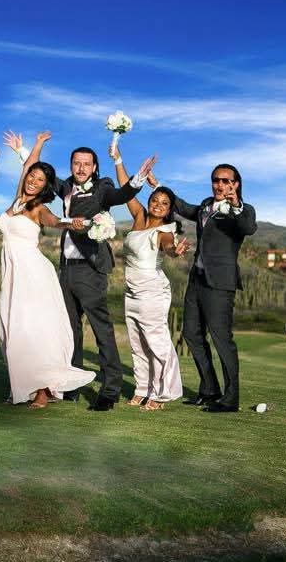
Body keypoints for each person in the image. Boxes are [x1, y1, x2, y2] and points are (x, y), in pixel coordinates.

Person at [24, 139, 155, 410]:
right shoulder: (65, 187)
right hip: (66, 269)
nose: (81, 168)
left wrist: (138, 179)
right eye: (77, 163)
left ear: (94, 167)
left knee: (101, 330)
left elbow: (121, 196)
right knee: (69, 330)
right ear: (71, 166)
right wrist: (26, 149)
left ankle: (110, 390)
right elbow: (40, 173)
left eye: (86, 164)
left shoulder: (102, 187)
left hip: (91, 268)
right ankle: (71, 386)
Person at [0, 131, 96, 408]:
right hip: (11, 274)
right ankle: (22, 386)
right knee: (12, 330)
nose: (33, 180)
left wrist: (71, 223)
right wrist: (36, 145)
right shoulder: (17, 200)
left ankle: (43, 389)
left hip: (32, 274)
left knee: (33, 328)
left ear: (45, 187)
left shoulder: (38, 208)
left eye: (40, 180)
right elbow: (28, 166)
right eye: (32, 176)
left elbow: (54, 221)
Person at [110, 143, 192, 411]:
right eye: (155, 200)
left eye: (164, 204)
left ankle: (162, 393)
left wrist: (175, 251)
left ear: (169, 210)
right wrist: (118, 159)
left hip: (152, 291)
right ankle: (142, 388)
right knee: (137, 343)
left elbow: (168, 247)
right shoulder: (138, 216)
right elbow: (126, 188)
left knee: (156, 343)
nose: (158, 205)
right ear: (149, 201)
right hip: (131, 292)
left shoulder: (165, 231)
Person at [169, 164, 257, 413]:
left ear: (235, 184)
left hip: (219, 284)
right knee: (191, 334)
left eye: (225, 181)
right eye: (216, 180)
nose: (220, 184)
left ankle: (231, 399)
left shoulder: (243, 210)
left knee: (221, 340)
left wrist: (235, 204)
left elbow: (248, 228)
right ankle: (209, 390)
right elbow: (183, 207)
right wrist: (158, 187)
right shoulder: (206, 205)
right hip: (196, 280)